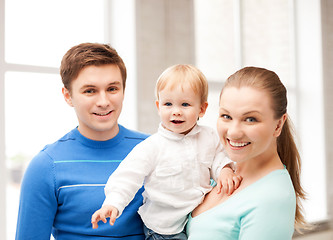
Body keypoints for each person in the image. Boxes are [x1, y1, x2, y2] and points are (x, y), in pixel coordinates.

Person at [91, 64, 242, 240]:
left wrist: (224, 170)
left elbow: (219, 157)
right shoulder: (152, 147)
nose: (176, 111)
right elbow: (127, 177)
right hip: (165, 229)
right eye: (168, 104)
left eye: (185, 104)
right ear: (158, 106)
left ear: (202, 108)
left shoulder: (209, 136)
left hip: (198, 218)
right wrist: (113, 203)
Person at [15, 43, 149, 240]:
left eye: (112, 88)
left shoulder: (155, 150)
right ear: (68, 96)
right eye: (90, 91)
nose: (103, 101)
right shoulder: (46, 166)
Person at [186, 66, 307, 240]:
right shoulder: (219, 171)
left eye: (250, 119)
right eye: (226, 116)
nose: (234, 132)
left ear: (278, 125)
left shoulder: (272, 198)